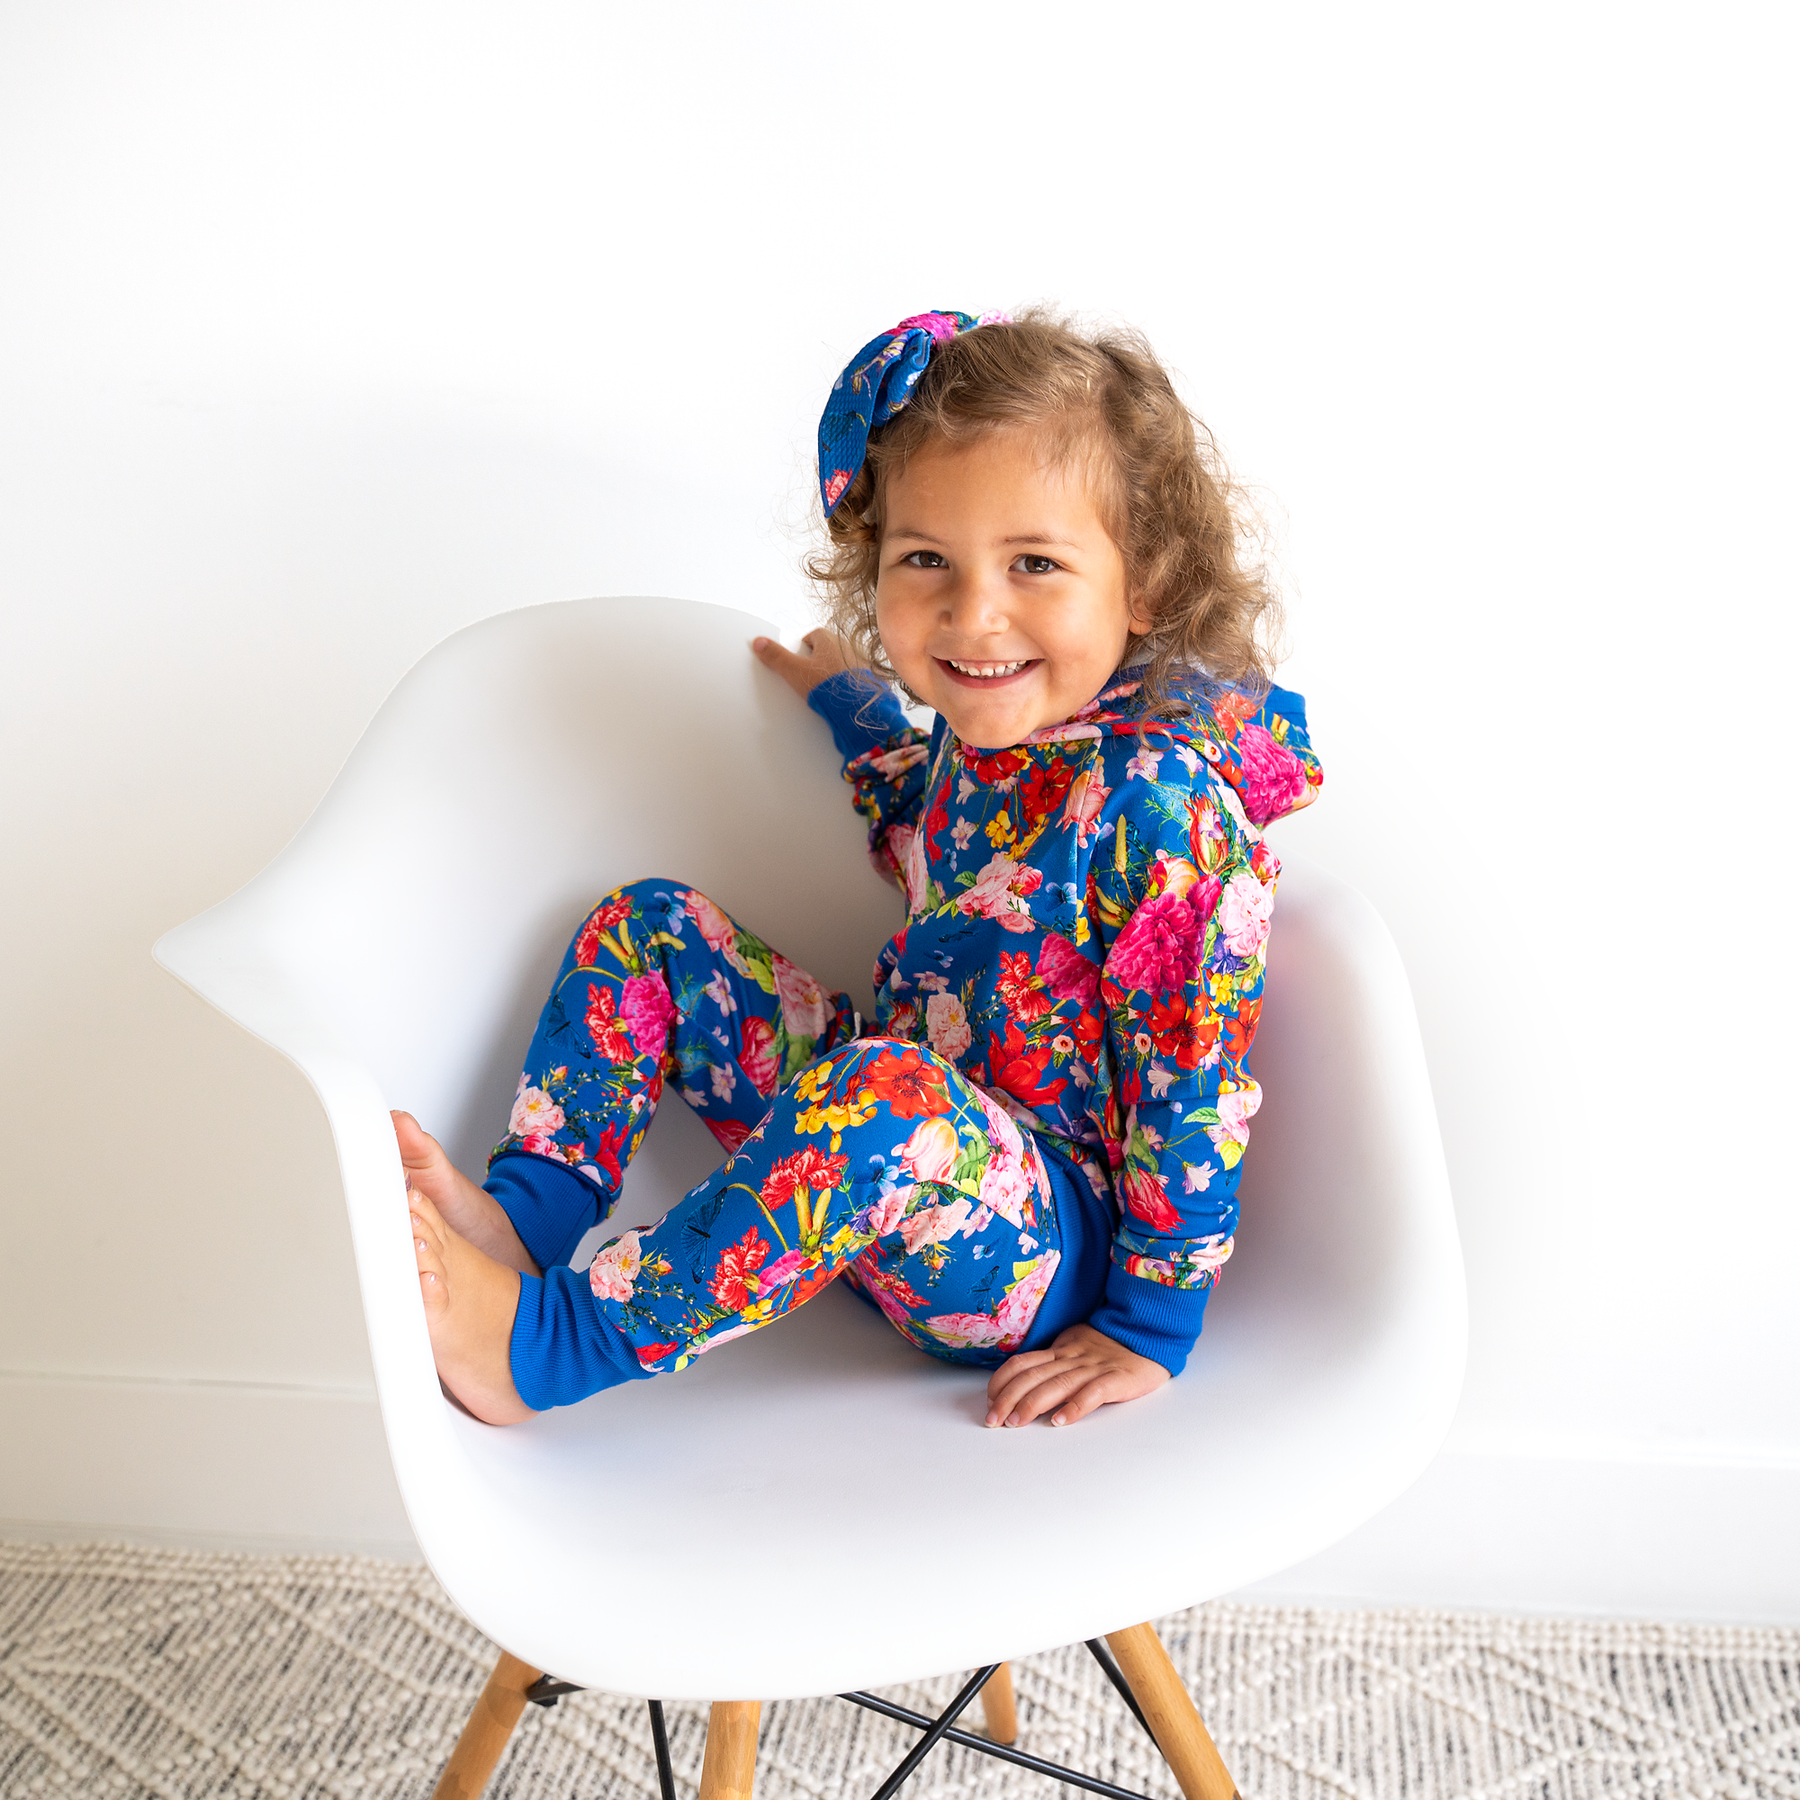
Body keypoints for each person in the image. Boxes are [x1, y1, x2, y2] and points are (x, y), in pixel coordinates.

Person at [398, 308, 1322, 1429]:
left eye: (1035, 563)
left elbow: (1193, 1087)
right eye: (926, 560)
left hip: (1036, 1251)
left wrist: (1148, 1325)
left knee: (879, 1092)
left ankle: (546, 1349)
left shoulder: (1166, 814)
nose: (973, 613)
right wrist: (855, 709)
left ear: (1149, 586)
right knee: (652, 930)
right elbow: (926, 827)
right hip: (890, 1151)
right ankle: (525, 1222)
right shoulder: (994, 740)